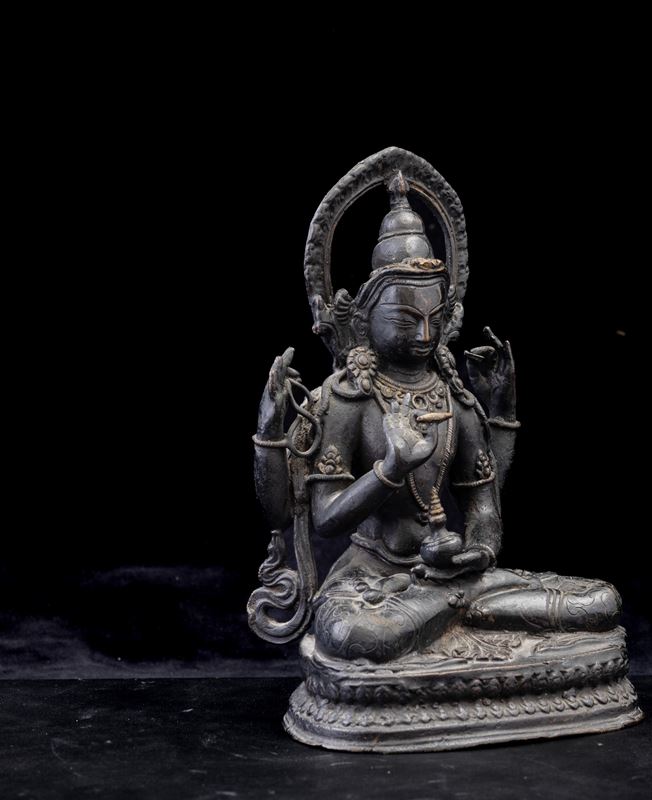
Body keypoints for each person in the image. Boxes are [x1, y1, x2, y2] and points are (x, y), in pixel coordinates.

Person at [253, 175, 621, 663]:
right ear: (364, 318)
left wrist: (479, 551)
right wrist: (390, 469)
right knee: (358, 635)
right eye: (406, 320)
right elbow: (325, 518)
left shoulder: (455, 397)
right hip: (371, 578)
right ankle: (458, 622)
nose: (425, 334)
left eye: (435, 317)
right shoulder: (348, 399)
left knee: (598, 602)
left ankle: (447, 620)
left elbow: (483, 506)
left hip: (450, 575)